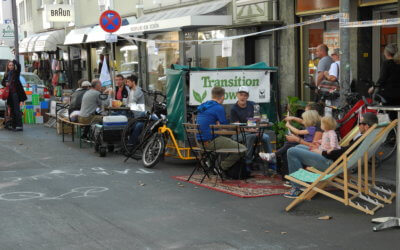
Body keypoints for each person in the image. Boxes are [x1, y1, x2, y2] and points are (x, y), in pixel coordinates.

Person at [284, 112, 378, 198]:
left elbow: (343, 152)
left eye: (360, 123)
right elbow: (345, 150)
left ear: (366, 127)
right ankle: (300, 182)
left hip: (330, 163)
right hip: (335, 160)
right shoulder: (368, 138)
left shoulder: (361, 139)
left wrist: (321, 152)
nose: (358, 126)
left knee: (292, 151)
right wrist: (324, 147)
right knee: (299, 147)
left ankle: (296, 188)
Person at [197, 86, 246, 171]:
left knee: (227, 141)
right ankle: (220, 168)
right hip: (211, 142)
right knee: (242, 149)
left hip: (199, 142)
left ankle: (209, 162)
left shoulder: (204, 106)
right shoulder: (218, 108)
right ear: (223, 97)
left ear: (212, 96)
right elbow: (225, 126)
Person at [230, 86, 273, 168]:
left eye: (245, 95)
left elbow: (259, 119)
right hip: (239, 134)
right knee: (251, 137)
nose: (243, 97)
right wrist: (251, 131)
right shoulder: (234, 109)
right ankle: (248, 162)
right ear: (237, 95)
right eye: (241, 95)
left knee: (266, 137)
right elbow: (237, 127)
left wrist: (257, 128)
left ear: (248, 96)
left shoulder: (253, 105)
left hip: (254, 131)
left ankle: (271, 163)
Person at [368, 44, 400, 119]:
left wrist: (373, 88)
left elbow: (382, 79)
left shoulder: (386, 63)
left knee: (386, 113)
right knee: (395, 114)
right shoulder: (398, 63)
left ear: (386, 53)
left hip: (388, 95)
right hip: (398, 95)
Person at [1, 60, 27, 131]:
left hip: (16, 94)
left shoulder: (16, 73)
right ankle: (13, 125)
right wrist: (5, 84)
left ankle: (19, 126)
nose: (11, 66)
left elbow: (18, 66)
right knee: (11, 110)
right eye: (10, 65)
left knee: (17, 110)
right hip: (9, 94)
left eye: (12, 65)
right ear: (8, 66)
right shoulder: (6, 74)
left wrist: (14, 61)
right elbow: (2, 82)